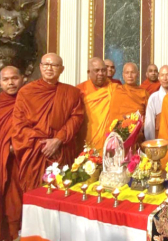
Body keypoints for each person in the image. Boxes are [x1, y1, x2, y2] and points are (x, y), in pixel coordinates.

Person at [12, 53, 84, 192]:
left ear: (62, 69)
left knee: (61, 193)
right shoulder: (26, 92)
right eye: (46, 64)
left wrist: (58, 140)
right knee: (35, 193)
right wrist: (43, 143)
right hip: (36, 151)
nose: (49, 68)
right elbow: (19, 125)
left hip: (61, 150)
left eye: (54, 65)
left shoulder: (72, 92)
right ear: (40, 67)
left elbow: (76, 118)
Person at [0, 66, 24, 241]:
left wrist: (20, 145)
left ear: (22, 78)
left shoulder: (29, 101)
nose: (10, 82)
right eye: (6, 79)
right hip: (3, 162)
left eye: (14, 78)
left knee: (20, 202)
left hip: (25, 161)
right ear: (0, 82)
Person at [77, 57, 118, 154]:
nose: (101, 73)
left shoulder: (114, 88)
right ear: (89, 72)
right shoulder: (80, 90)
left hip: (110, 139)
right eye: (97, 70)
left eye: (103, 70)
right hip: (87, 137)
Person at [108, 63, 149, 147]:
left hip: (138, 136)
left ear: (137, 74)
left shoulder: (143, 93)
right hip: (119, 135)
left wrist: (139, 127)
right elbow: (113, 116)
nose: (130, 75)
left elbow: (149, 116)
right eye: (127, 73)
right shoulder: (117, 91)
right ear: (123, 75)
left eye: (132, 72)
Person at [144, 65, 168, 140]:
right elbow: (149, 124)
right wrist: (152, 143)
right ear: (159, 78)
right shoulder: (153, 98)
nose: (165, 78)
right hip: (160, 141)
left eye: (167, 75)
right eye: (162, 75)